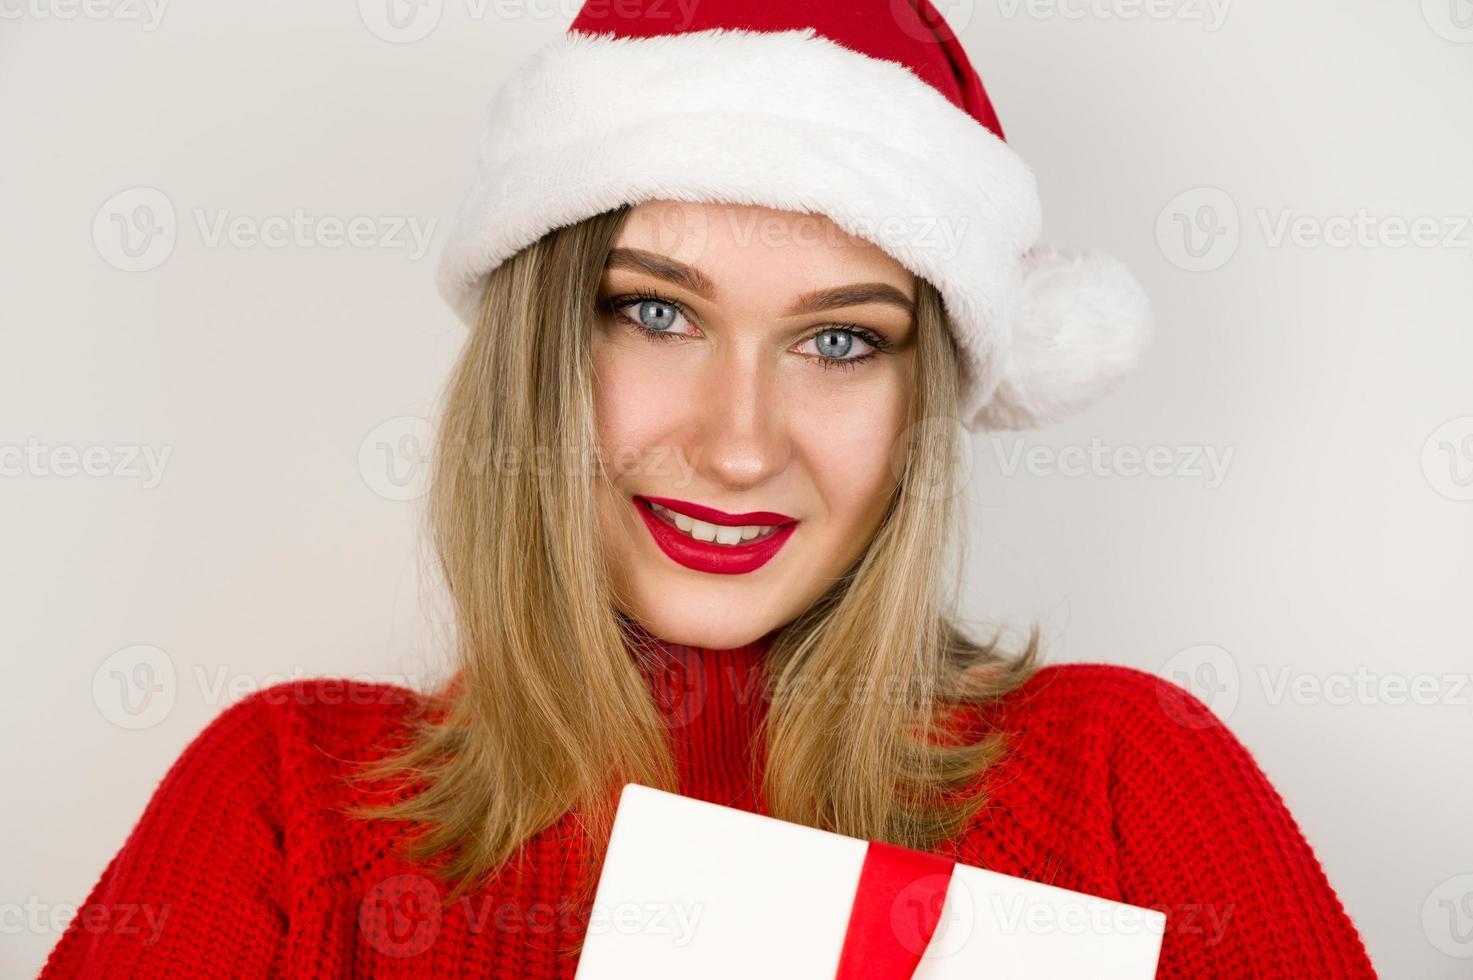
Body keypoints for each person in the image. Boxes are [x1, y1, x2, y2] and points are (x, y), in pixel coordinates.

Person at [41, 1, 1378, 976]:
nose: (740, 446)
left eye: (839, 340)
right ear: (539, 351)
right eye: (655, 315)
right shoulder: (289, 806)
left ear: (923, 404)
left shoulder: (1124, 784)